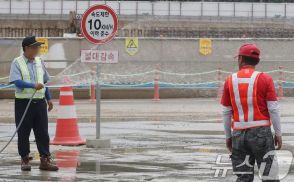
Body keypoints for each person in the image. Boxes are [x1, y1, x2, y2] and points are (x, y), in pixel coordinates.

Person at [221, 44, 282, 182]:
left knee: (243, 177)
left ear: (241, 59)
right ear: (257, 61)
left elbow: (226, 112)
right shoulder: (265, 79)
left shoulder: (229, 80)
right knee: (270, 176)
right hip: (261, 133)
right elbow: (273, 108)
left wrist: (228, 137)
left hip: (238, 134)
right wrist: (278, 134)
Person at [9, 36, 58, 171]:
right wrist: (32, 85)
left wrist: (48, 99)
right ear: (26, 48)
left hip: (40, 103)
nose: (37, 49)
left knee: (42, 132)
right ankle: (25, 159)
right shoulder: (17, 62)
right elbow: (16, 81)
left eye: (38, 47)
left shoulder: (39, 62)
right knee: (23, 132)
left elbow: (44, 82)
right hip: (23, 103)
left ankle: (45, 160)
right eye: (35, 47)